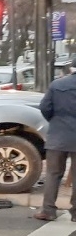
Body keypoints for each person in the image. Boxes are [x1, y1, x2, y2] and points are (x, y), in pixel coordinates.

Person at [34, 57, 76, 221]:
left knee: (53, 173)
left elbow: (45, 107)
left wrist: (56, 121)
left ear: (72, 68)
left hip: (58, 136)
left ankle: (48, 210)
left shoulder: (57, 85)